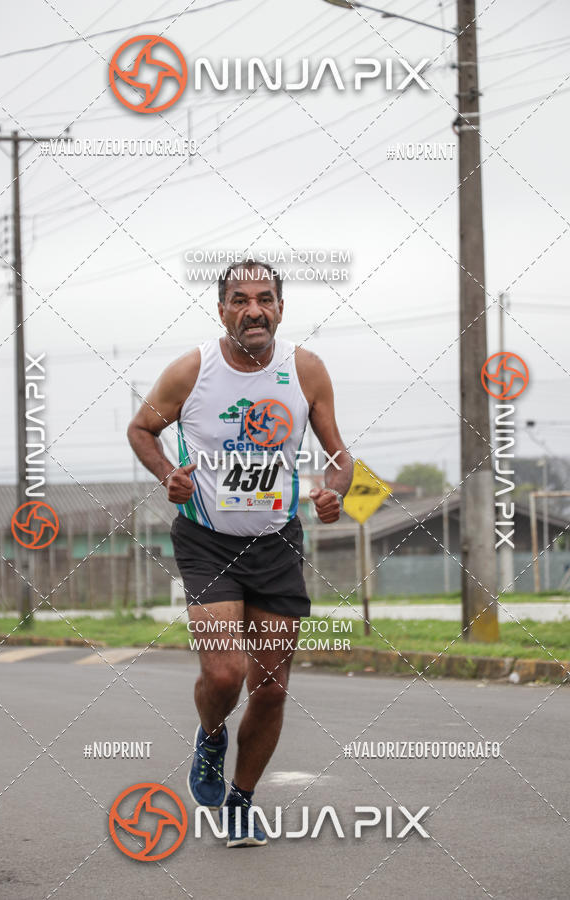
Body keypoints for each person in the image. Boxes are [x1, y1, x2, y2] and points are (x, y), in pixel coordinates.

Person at [127, 260, 353, 847]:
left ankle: (241, 801)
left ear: (281, 307)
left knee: (272, 687)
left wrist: (335, 492)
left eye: (265, 298)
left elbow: (340, 455)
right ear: (222, 308)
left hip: (276, 541)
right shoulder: (192, 370)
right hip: (206, 539)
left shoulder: (305, 370)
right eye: (239, 299)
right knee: (226, 674)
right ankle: (209, 735)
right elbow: (141, 430)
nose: (254, 309)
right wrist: (168, 476)